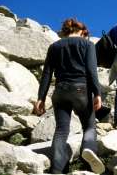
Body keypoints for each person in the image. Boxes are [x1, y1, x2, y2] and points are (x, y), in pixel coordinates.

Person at [34, 18, 105, 174]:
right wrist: (98, 93)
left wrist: (41, 98)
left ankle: (56, 169)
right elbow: (92, 71)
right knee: (89, 125)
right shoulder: (87, 45)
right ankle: (88, 148)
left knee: (61, 130)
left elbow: (46, 74)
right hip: (81, 90)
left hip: (59, 91)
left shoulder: (54, 47)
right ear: (82, 31)